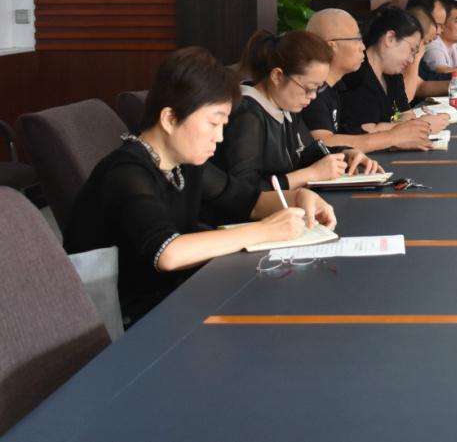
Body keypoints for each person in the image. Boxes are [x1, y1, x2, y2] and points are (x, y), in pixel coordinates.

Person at [63, 47, 337, 323]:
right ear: (170, 119)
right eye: (213, 123)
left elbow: (249, 201)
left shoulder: (184, 164)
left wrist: (299, 198)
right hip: (124, 322)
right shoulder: (125, 172)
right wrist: (265, 231)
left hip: (172, 300)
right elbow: (168, 252)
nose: (219, 137)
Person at [212, 30, 380, 193]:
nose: (313, 96)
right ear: (277, 76)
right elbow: (243, 190)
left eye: (318, 88)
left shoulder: (285, 104)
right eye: (309, 88)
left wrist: (344, 154)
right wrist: (311, 174)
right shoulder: (247, 114)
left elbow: (303, 153)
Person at [303, 8, 444, 151]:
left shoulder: (336, 87)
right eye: (356, 40)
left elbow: (344, 138)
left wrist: (395, 132)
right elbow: (325, 142)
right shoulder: (319, 88)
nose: (362, 46)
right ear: (332, 47)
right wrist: (395, 136)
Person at [338, 5, 429, 132]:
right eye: (412, 50)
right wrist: (421, 125)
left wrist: (409, 125)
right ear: (390, 38)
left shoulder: (393, 75)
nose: (411, 60)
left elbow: (406, 114)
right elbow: (366, 132)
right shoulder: (357, 75)